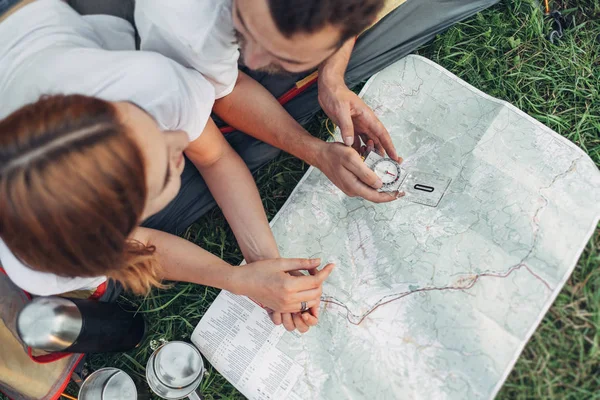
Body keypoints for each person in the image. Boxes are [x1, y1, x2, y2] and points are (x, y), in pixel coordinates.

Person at [0, 0, 332, 333]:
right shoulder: (39, 266)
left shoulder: (149, 85)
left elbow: (216, 157)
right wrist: (238, 279)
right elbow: (134, 246)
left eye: (147, 122)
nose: (179, 139)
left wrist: (266, 265)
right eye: (172, 165)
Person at [133, 0, 499, 230]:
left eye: (287, 58)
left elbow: (350, 17)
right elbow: (226, 89)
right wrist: (313, 151)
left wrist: (332, 77)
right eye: (246, 27)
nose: (255, 61)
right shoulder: (179, 18)